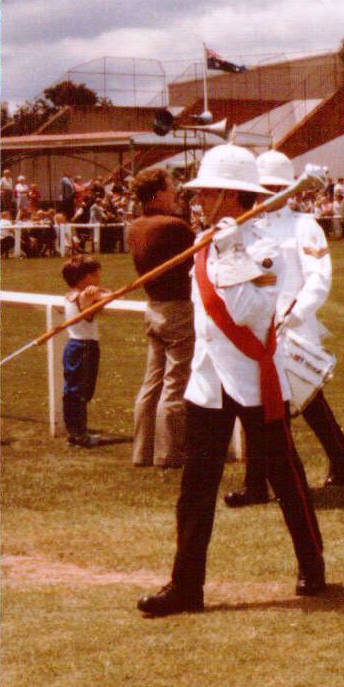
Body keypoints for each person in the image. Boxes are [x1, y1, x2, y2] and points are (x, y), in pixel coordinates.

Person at [137, 144, 327, 617]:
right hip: (208, 380)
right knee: (196, 488)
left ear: (228, 195)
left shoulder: (263, 248)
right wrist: (218, 248)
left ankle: (312, 566)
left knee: (286, 478)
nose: (197, 202)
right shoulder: (208, 240)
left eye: (205, 194)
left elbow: (254, 313)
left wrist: (232, 253)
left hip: (254, 373)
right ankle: (185, 586)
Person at [224, 151, 344, 509]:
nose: (266, 195)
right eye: (261, 188)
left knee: (306, 397)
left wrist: (295, 315)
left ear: (288, 188)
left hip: (294, 326)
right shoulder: (247, 226)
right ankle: (258, 483)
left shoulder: (304, 226)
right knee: (259, 401)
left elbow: (318, 278)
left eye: (273, 188)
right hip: (257, 326)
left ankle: (339, 456)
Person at [126, 167, 196, 468]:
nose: (174, 192)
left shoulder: (135, 227)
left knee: (151, 382)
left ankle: (143, 451)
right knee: (175, 382)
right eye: (170, 187)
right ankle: (170, 452)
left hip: (153, 306)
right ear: (157, 192)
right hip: (178, 307)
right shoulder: (174, 226)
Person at [61, 256, 106, 448]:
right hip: (85, 347)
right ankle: (80, 435)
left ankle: (74, 431)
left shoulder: (70, 294)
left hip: (73, 346)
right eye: (95, 274)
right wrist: (99, 294)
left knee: (72, 390)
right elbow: (116, 295)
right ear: (84, 278)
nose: (98, 277)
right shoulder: (85, 296)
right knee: (80, 392)